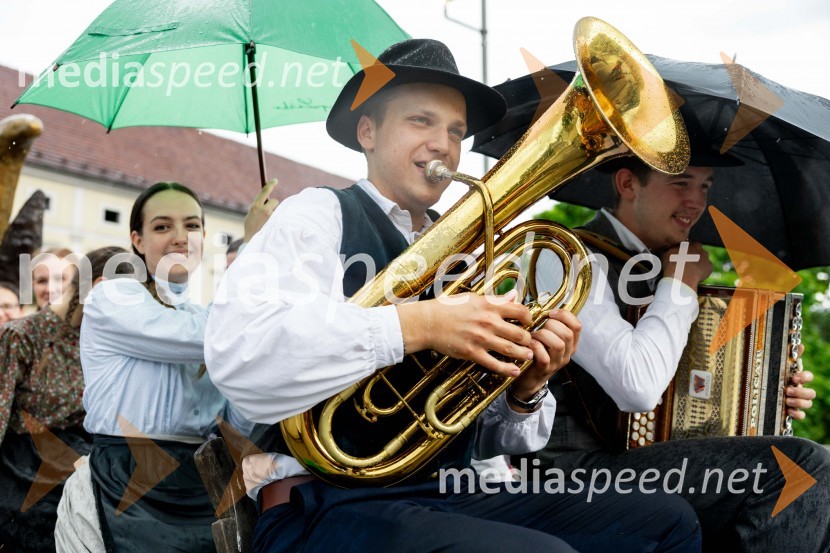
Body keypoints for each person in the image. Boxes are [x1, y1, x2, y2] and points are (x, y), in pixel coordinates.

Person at [206, 38, 702, 553]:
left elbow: (484, 438)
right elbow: (242, 356)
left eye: (456, 132)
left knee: (666, 520)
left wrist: (524, 389)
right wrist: (421, 324)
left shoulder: (470, 255)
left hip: (446, 493)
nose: (443, 145)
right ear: (368, 132)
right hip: (323, 504)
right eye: (421, 121)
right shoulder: (317, 214)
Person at [533, 135, 830, 552]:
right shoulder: (567, 256)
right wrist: (680, 283)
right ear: (627, 183)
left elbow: (693, 402)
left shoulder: (667, 269)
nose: (697, 201)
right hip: (570, 474)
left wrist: (768, 397)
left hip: (641, 466)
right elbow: (637, 386)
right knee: (798, 469)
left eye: (705, 186)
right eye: (681, 182)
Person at [56, 181, 274, 552]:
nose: (179, 237)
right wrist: (255, 247)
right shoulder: (112, 297)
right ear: (137, 241)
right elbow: (206, 335)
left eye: (192, 226)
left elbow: (236, 424)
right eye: (162, 226)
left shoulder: (204, 315)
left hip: (200, 485)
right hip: (122, 482)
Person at [0, 246, 130, 553]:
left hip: (82, 457)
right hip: (26, 466)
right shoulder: (21, 336)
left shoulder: (98, 339)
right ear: (98, 287)